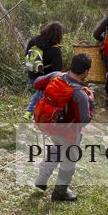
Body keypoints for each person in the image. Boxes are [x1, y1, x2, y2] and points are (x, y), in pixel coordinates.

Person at [32, 54, 94, 202]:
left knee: (57, 149)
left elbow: (37, 84)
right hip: (68, 133)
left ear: (71, 66)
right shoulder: (80, 94)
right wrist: (91, 102)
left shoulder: (56, 76)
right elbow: (84, 121)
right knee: (69, 160)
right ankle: (60, 193)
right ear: (86, 72)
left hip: (48, 125)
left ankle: (42, 178)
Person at [23, 22, 65, 120]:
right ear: (58, 35)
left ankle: (32, 111)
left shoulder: (33, 41)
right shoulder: (55, 50)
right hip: (43, 80)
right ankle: (29, 112)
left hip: (31, 75)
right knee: (43, 91)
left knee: (41, 92)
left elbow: (26, 55)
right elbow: (58, 71)